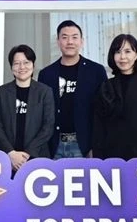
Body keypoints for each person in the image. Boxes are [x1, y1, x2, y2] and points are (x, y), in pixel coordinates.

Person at [37, 20, 107, 158]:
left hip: (85, 147)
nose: (70, 42)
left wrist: (96, 147)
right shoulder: (46, 74)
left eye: (74, 37)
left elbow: (103, 113)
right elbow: (41, 114)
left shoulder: (96, 71)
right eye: (65, 37)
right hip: (54, 146)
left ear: (82, 41)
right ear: (58, 41)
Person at [92, 34, 137, 160]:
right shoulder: (105, 87)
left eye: (127, 51)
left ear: (136, 55)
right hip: (112, 157)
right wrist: (99, 158)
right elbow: (98, 126)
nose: (122, 57)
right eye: (118, 52)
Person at [0, 45, 55, 172]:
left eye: (26, 62)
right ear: (11, 67)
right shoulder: (1, 93)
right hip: (7, 159)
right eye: (17, 63)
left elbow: (48, 126)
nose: (22, 67)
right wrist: (11, 153)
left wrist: (26, 154)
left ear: (33, 65)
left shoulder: (44, 92)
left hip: (37, 158)